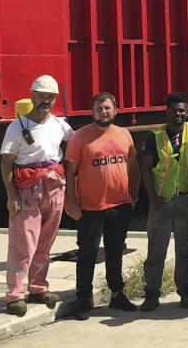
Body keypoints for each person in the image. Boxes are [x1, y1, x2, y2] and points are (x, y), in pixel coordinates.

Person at [0, 74, 75, 316]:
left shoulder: (60, 125)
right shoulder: (16, 127)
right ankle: (15, 296)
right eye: (42, 96)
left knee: (45, 241)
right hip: (27, 191)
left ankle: (38, 288)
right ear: (32, 96)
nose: (46, 101)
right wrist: (12, 195)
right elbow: (6, 164)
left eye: (50, 97)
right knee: (23, 243)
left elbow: (77, 144)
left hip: (54, 187)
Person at [64, 92, 140, 320]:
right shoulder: (80, 137)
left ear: (114, 110)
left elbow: (133, 165)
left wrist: (133, 196)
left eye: (107, 108)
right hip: (90, 208)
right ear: (92, 111)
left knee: (115, 252)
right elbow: (70, 173)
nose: (103, 112)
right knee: (87, 254)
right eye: (99, 108)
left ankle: (117, 294)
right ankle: (83, 298)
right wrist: (71, 204)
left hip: (119, 205)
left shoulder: (124, 134)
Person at [139, 92, 188, 311]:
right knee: (156, 251)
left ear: (187, 112)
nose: (178, 115)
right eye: (173, 111)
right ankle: (152, 294)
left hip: (185, 200)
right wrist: (152, 197)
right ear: (167, 112)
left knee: (184, 250)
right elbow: (145, 168)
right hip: (161, 202)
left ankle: (185, 292)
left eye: (182, 110)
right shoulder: (153, 136)